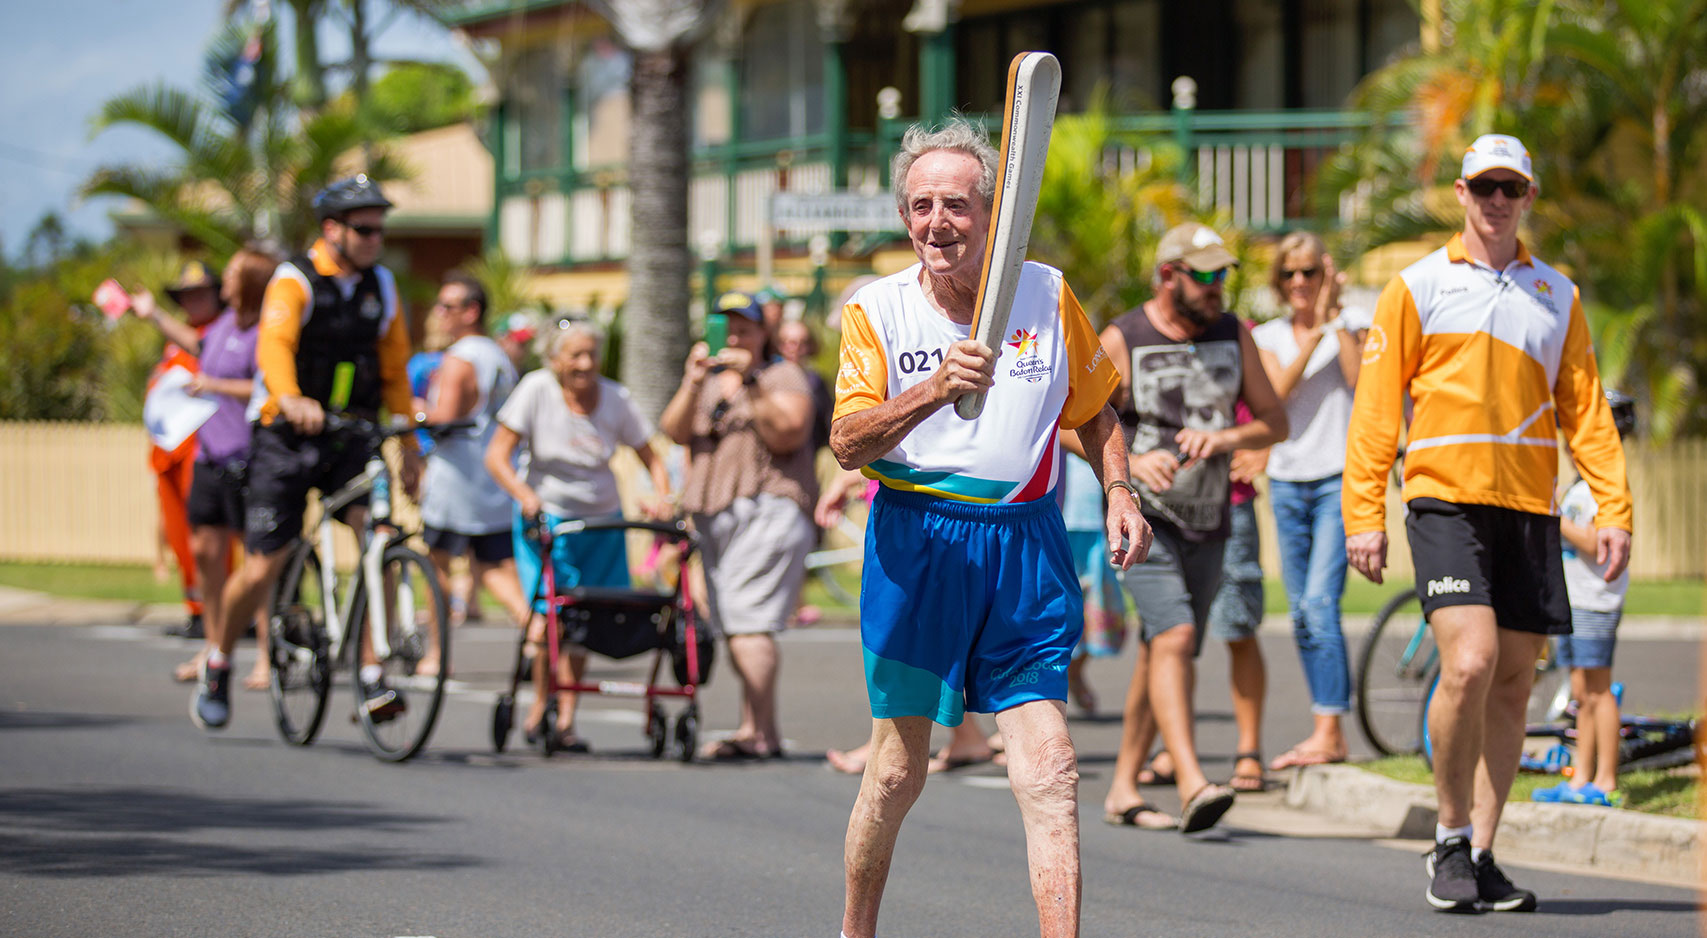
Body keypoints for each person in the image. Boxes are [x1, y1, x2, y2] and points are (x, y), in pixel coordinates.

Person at [832, 119, 1147, 938]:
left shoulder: (1044, 292)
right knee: (897, 773)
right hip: (918, 545)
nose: (937, 222)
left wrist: (1118, 490)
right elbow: (846, 443)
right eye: (920, 206)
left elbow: (1096, 411)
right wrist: (933, 390)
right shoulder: (877, 310)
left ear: (993, 212)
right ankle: (854, 929)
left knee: (1051, 766)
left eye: (956, 205)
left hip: (1024, 546)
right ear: (905, 218)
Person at [1342, 134, 1632, 914]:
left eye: (1510, 188)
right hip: (1443, 501)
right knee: (1468, 662)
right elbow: (1374, 413)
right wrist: (1362, 512)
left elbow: (1586, 413)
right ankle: (1445, 836)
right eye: (1483, 187)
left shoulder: (1556, 294)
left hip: (1529, 509)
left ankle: (1481, 849)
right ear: (1461, 194)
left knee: (1511, 685)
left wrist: (1613, 506)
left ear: (1527, 196)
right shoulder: (1417, 285)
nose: (1496, 201)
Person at [192, 175, 423, 731]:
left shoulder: (381, 286)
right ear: (332, 230)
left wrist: (409, 444)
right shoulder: (293, 280)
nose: (375, 239)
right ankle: (219, 659)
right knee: (264, 562)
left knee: (377, 539)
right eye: (364, 229)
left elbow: (394, 371)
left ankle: (371, 673)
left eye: (379, 230)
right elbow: (275, 346)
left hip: (351, 433)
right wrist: (291, 397)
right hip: (287, 432)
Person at [1099, 221, 1288, 835]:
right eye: (1203, 275)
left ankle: (1123, 785)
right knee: (1176, 637)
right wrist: (1128, 466)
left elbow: (1274, 420)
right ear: (1167, 276)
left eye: (1222, 275)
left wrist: (1227, 438)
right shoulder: (1125, 337)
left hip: (1212, 518)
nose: (1216, 287)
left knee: (1163, 649)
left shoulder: (1234, 335)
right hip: (1145, 519)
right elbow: (1074, 422)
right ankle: (1190, 780)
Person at [485, 320, 671, 749]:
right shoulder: (536, 390)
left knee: (590, 618)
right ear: (555, 360)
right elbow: (497, 456)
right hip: (548, 521)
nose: (586, 364)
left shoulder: (615, 398)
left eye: (592, 354)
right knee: (554, 618)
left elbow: (651, 456)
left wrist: (661, 496)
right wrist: (524, 494)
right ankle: (540, 707)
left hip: (602, 523)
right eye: (575, 355)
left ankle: (565, 718)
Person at [659, 291, 819, 761]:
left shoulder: (781, 375)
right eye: (724, 327)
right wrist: (692, 382)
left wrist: (750, 379)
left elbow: (789, 430)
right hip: (716, 513)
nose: (733, 337)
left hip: (767, 508)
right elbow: (673, 431)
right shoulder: (708, 382)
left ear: (761, 333)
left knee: (748, 622)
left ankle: (756, 730)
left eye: (744, 329)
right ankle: (761, 730)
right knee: (737, 623)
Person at [134, 248, 280, 689]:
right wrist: (154, 315)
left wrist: (213, 385)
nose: (226, 281)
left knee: (257, 568)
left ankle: (267, 658)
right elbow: (193, 343)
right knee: (205, 555)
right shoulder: (218, 330)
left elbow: (266, 385)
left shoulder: (264, 333)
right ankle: (215, 647)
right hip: (209, 459)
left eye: (233, 274)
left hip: (248, 460)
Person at [1251, 231, 1368, 770]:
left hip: (1337, 480)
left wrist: (1336, 322)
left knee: (1321, 604)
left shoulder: (1352, 327)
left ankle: (1330, 731)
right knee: (1300, 611)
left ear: (1326, 276)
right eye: (1290, 274)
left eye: (1310, 273)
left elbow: (1361, 382)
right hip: (1288, 481)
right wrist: (1316, 327)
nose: (1300, 283)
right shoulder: (1269, 336)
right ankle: (1327, 727)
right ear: (1280, 281)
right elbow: (1275, 395)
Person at [416, 272, 528, 676]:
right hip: (493, 477)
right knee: (495, 566)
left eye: (448, 306)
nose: (440, 314)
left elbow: (446, 417)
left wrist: (414, 411)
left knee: (438, 564)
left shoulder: (461, 356)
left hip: (457, 477)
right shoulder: (498, 355)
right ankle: (536, 632)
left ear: (471, 311)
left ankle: (436, 654)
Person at [1533, 390, 1637, 808]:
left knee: (1598, 691)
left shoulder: (1603, 489)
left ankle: (1605, 779)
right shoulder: (1581, 487)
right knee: (1581, 691)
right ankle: (1581, 777)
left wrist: (1554, 519)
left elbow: (1597, 544)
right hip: (1573, 599)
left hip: (1595, 602)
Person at [147, 261, 223, 638]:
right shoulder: (173, 341)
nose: (194, 302)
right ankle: (195, 609)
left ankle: (219, 612)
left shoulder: (218, 334)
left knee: (209, 535)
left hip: (203, 448)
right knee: (180, 535)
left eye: (201, 293)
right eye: (188, 295)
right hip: (169, 452)